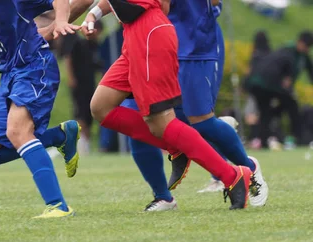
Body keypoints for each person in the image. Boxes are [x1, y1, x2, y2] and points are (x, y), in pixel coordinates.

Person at [81, 0, 252, 210]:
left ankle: (233, 176)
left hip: (151, 37)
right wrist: (93, 14)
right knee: (101, 106)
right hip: (135, 38)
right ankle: (175, 146)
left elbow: (147, 6)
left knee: (164, 123)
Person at [0, 0, 84, 218]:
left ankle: (58, 206)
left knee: (17, 131)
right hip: (9, 76)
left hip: (35, 66)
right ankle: (59, 136)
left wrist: (59, 22)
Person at [245, 30, 313, 149]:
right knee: (290, 105)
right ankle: (299, 138)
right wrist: (287, 82)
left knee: (268, 112)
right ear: (299, 42)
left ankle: (264, 141)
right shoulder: (287, 51)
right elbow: (283, 73)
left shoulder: (303, 56)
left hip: (268, 85)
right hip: (267, 84)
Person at [60, 20, 104, 155]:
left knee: (88, 113)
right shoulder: (77, 42)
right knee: (80, 113)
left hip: (90, 83)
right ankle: (79, 143)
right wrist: (71, 77)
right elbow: (68, 58)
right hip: (79, 83)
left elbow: (97, 64)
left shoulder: (93, 45)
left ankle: (86, 144)